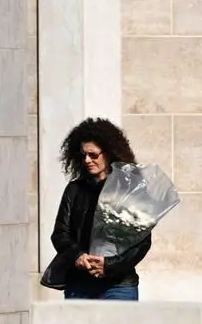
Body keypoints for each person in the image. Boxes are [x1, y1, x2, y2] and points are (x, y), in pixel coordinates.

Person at [49, 117, 151, 300]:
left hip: (119, 285)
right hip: (79, 285)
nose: (87, 160)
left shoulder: (129, 189)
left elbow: (141, 242)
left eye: (93, 154)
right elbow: (59, 234)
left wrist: (109, 265)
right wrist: (77, 256)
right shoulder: (74, 190)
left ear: (109, 153)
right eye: (83, 155)